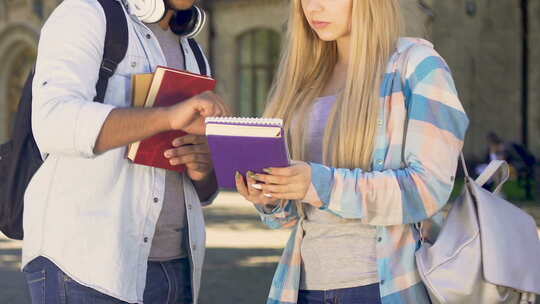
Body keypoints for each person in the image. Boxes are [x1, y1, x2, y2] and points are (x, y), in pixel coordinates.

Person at [235, 0, 469, 303]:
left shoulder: (418, 66)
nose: (313, 8)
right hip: (301, 287)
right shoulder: (305, 78)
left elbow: (428, 190)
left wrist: (319, 183)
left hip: (382, 289)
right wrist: (272, 199)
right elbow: (297, 217)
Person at [22, 0, 229, 303]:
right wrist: (167, 117)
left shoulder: (192, 48)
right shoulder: (85, 14)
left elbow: (203, 191)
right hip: (86, 270)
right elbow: (54, 122)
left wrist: (204, 168)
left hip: (177, 269)